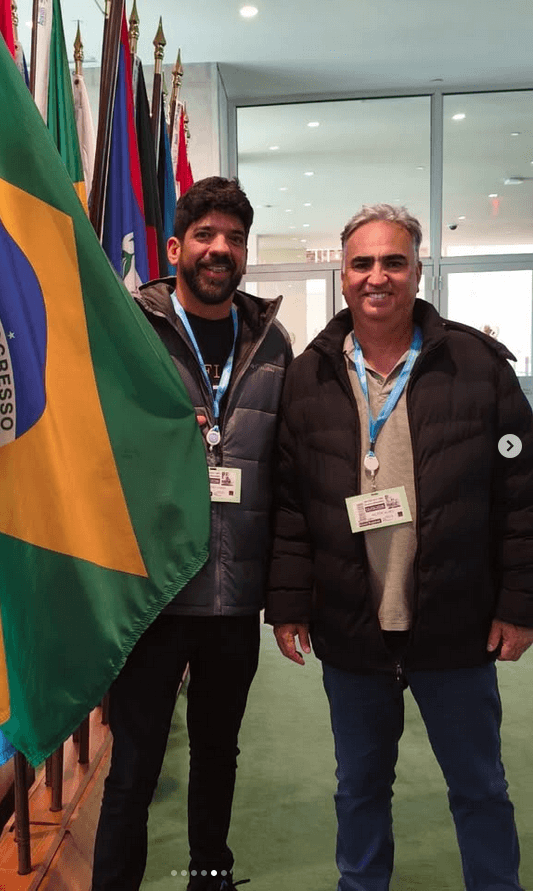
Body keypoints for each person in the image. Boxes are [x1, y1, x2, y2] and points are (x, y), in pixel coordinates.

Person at [266, 204, 533, 891]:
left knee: (479, 787)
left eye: (393, 262)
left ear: (418, 271)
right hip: (352, 627)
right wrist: (288, 604)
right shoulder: (309, 375)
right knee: (358, 788)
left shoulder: (477, 366)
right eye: (362, 263)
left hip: (456, 623)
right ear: (343, 274)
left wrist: (519, 603)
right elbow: (291, 505)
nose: (376, 276)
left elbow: (522, 496)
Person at [92, 177, 293, 891]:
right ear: (175, 248)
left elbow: (288, 470)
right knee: (136, 763)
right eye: (205, 235)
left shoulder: (272, 345)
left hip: (234, 597)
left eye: (234, 238)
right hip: (153, 594)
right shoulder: (129, 330)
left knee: (217, 753)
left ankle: (210, 876)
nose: (220, 249)